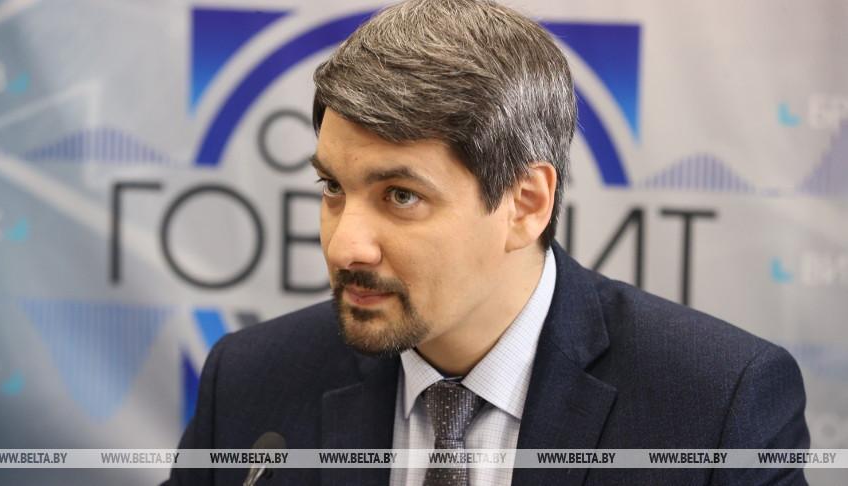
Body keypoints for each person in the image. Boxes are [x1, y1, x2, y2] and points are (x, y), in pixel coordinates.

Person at [165, 0, 809, 484]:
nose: (343, 248)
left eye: (401, 196)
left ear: (525, 204)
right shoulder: (251, 381)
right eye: (333, 187)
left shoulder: (717, 404)